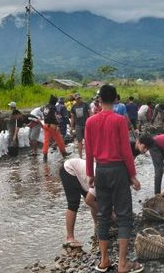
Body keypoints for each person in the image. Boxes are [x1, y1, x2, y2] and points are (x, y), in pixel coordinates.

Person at [85, 85, 143, 273]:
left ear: (100, 100)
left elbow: (89, 151)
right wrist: (132, 176)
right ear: (116, 99)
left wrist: (90, 174)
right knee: (124, 215)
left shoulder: (91, 121)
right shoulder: (119, 120)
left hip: (100, 170)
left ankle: (104, 261)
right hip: (118, 171)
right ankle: (123, 263)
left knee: (103, 215)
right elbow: (127, 151)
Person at [60, 158, 98, 248]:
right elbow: (89, 201)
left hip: (83, 175)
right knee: (73, 203)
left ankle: (97, 228)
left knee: (95, 200)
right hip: (69, 169)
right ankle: (70, 238)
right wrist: (109, 213)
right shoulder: (101, 179)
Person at [42, 95, 70, 162]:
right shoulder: (53, 107)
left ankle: (45, 157)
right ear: (54, 101)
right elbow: (53, 117)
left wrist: (48, 123)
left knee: (46, 142)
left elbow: (45, 115)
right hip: (52, 126)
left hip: (46, 125)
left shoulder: (46, 106)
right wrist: (56, 124)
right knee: (59, 139)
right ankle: (64, 153)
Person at [70, 93, 90, 159]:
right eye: (77, 98)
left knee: (87, 141)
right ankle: (80, 157)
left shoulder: (86, 104)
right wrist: (71, 127)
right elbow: (72, 117)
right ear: (75, 99)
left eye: (79, 98)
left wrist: (91, 123)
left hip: (86, 125)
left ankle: (88, 156)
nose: (79, 99)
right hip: (78, 126)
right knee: (79, 141)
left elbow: (90, 113)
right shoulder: (73, 107)